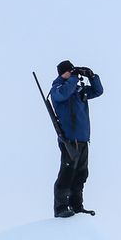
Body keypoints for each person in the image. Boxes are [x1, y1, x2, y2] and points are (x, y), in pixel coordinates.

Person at [49, 60, 105, 217]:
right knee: (67, 173)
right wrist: (73, 78)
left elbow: (98, 91)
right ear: (63, 73)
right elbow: (63, 94)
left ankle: (76, 206)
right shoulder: (57, 89)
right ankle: (61, 207)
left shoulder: (78, 90)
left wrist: (92, 76)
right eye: (70, 71)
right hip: (69, 140)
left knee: (81, 174)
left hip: (83, 139)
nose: (73, 74)